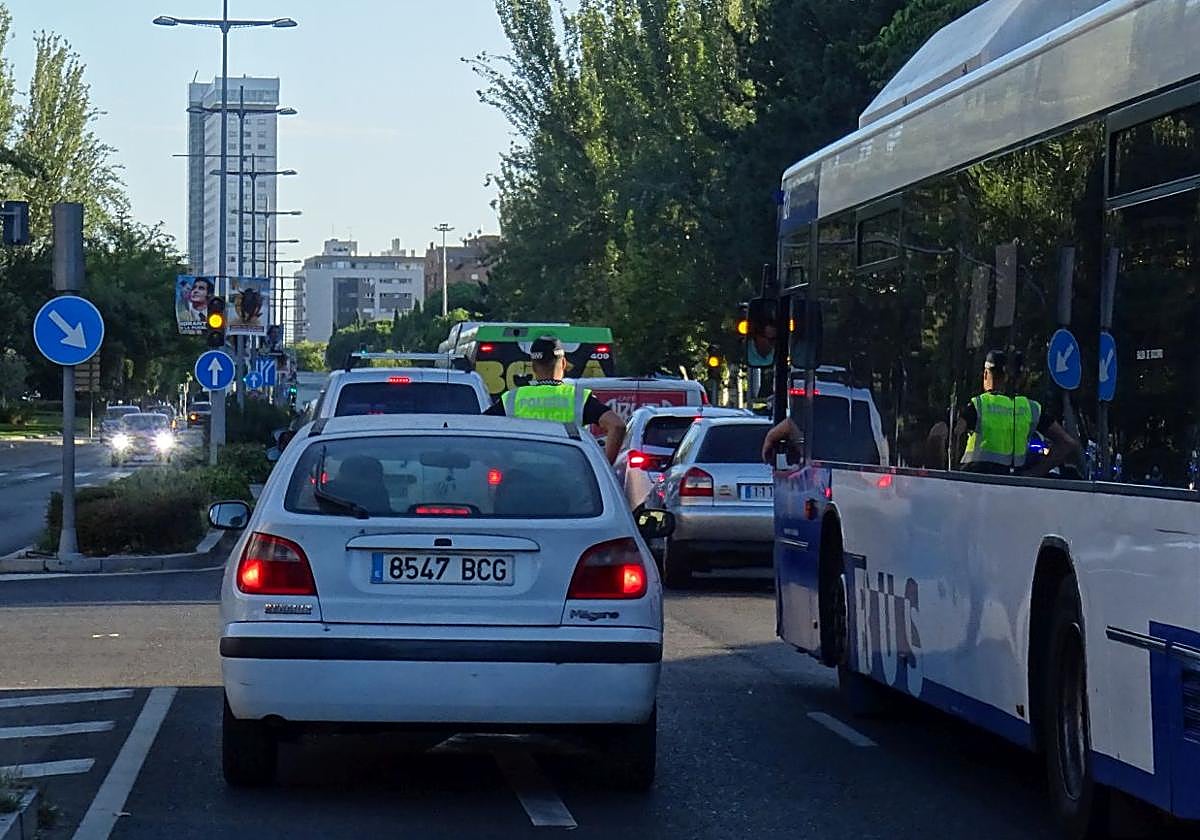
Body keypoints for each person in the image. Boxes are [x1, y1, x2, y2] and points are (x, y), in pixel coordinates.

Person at [485, 335, 626, 464]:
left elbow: (481, 427)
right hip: (567, 479)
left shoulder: (512, 399)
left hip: (519, 477)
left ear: (533, 367)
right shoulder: (577, 398)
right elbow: (617, 426)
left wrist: (499, 460)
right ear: (564, 363)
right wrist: (605, 466)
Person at [954, 349, 1078, 477]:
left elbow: (953, 433)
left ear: (986, 374)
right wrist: (1034, 474)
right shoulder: (1031, 408)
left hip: (973, 484)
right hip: (1014, 486)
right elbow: (1067, 443)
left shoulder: (979, 405)